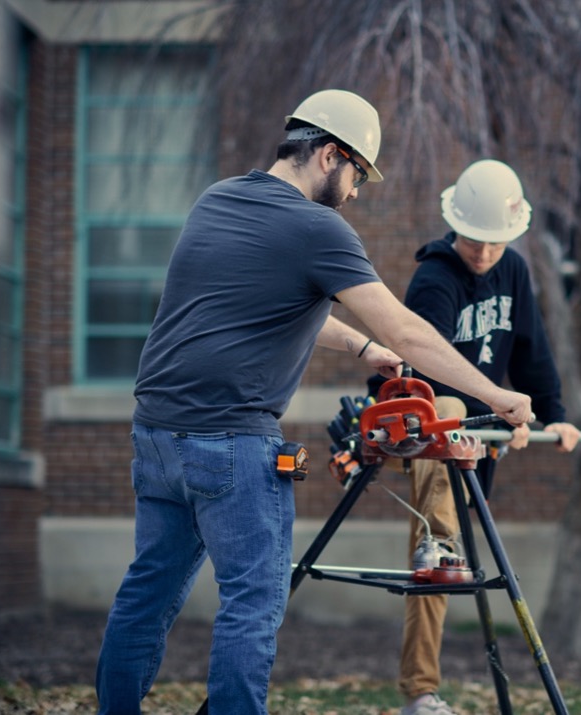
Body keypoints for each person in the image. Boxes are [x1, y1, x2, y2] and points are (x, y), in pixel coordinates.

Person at [94, 89, 534, 715]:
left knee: (146, 593)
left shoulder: (218, 200)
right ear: (330, 155)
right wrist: (495, 394)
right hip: (232, 442)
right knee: (251, 604)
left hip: (157, 436)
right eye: (357, 174)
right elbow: (406, 330)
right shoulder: (318, 227)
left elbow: (262, 303)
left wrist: (360, 348)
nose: (355, 192)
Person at [370, 159, 581, 715]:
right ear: (453, 225)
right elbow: (427, 372)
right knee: (439, 535)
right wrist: (498, 413)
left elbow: (532, 350)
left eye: (495, 241)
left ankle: (421, 687)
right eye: (473, 240)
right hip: (416, 421)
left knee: (442, 549)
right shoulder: (435, 278)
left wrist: (553, 414)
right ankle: (421, 691)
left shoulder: (513, 271)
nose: (484, 253)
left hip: (472, 433)